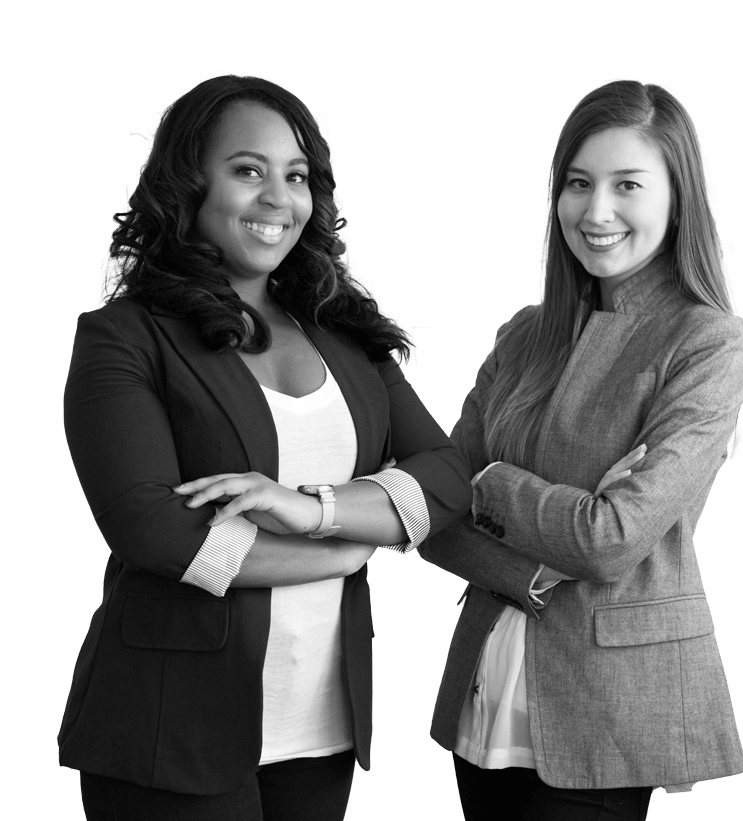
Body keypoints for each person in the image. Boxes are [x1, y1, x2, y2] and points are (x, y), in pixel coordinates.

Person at [58, 71, 473, 821]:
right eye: (248, 171)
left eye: (297, 175)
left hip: (320, 724)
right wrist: (341, 551)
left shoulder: (345, 332)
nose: (278, 198)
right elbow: (151, 526)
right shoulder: (125, 336)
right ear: (189, 185)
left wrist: (313, 512)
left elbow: (446, 476)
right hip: (171, 727)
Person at [417, 76, 743, 820]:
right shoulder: (525, 332)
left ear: (678, 196)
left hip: (610, 704)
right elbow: (433, 509)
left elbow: (610, 540)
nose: (595, 211)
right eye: (577, 183)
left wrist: (493, 481)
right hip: (487, 689)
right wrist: (532, 566)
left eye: (626, 184)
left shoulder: (710, 339)